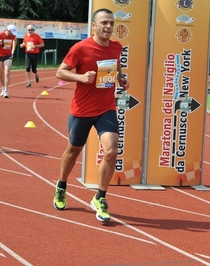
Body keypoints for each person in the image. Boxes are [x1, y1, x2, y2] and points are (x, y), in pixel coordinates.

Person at [53, 8, 130, 222]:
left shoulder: (117, 47)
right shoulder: (80, 48)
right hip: (82, 109)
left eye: (111, 23)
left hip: (106, 107)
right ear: (94, 26)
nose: (108, 27)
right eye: (104, 22)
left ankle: (100, 197)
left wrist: (122, 78)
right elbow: (60, 72)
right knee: (73, 151)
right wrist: (80, 78)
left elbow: (116, 68)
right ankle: (61, 184)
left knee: (112, 151)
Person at [0, 24, 17, 98]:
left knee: (7, 72)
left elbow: (15, 40)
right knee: (1, 74)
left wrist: (13, 49)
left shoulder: (13, 36)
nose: (12, 34)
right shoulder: (0, 35)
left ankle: (6, 90)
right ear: (8, 30)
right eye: (11, 32)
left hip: (8, 56)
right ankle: (3, 87)